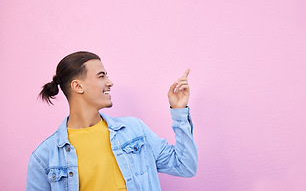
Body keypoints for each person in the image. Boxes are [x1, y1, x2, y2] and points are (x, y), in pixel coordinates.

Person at [26, 51, 198, 191]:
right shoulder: (44, 157)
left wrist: (179, 111)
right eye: (101, 76)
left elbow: (185, 166)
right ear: (78, 86)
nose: (110, 82)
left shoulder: (134, 131)